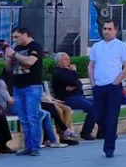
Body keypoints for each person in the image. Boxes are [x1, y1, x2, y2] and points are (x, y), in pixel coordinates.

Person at [89, 21, 126, 157]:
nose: (106, 31)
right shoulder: (96, 46)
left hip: (113, 86)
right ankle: (111, 133)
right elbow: (91, 65)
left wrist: (116, 82)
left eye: (110, 29)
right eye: (104, 28)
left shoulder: (122, 46)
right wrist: (93, 84)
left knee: (112, 116)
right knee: (97, 115)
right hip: (99, 86)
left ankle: (109, 148)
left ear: (115, 30)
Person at [7, 26, 47, 156]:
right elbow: (8, 68)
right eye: (13, 37)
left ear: (25, 35)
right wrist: (8, 58)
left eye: (17, 37)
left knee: (32, 117)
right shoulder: (17, 48)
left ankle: (35, 146)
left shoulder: (35, 46)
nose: (15, 39)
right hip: (18, 87)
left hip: (32, 86)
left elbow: (30, 62)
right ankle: (28, 146)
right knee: (23, 118)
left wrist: (14, 54)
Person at [50, 53, 91, 139]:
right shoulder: (58, 72)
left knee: (99, 103)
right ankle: (86, 132)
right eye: (66, 60)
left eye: (68, 59)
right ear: (59, 62)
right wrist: (74, 71)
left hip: (79, 97)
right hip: (68, 99)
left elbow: (78, 84)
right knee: (93, 107)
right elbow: (72, 80)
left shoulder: (67, 71)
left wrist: (74, 84)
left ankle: (101, 131)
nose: (69, 62)